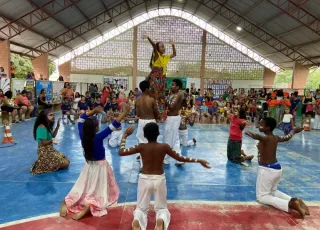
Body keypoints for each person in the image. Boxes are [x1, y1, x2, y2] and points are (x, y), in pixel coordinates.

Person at [118, 123, 211, 230]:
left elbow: (121, 152)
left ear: (144, 134)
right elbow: (180, 158)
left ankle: (137, 220)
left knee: (141, 208)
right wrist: (198, 160)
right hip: (159, 179)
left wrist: (124, 136)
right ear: (158, 133)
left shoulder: (141, 147)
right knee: (162, 207)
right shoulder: (164, 147)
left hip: (144, 179)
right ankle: (161, 220)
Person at [59, 105, 130, 220]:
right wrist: (125, 111)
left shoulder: (83, 136)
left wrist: (93, 111)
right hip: (100, 167)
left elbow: (81, 119)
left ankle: (66, 201)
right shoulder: (98, 137)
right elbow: (115, 124)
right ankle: (89, 205)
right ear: (96, 128)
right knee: (97, 191)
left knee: (82, 188)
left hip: (88, 166)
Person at [245, 118, 309, 218]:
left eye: (261, 124)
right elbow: (287, 137)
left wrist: (251, 134)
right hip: (276, 169)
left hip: (267, 170)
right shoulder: (276, 137)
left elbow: (258, 136)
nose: (259, 126)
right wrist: (294, 130)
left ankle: (291, 204)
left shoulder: (266, 138)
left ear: (268, 127)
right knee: (273, 192)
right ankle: (294, 200)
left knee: (262, 197)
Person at [30, 109, 70, 175]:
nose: (53, 116)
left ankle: (50, 164)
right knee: (66, 164)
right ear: (44, 117)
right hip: (45, 152)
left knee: (68, 160)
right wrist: (52, 140)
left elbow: (53, 136)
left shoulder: (47, 125)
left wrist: (57, 127)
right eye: (50, 115)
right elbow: (44, 143)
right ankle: (46, 164)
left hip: (50, 150)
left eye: (53, 115)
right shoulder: (41, 127)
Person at [143, 35, 176, 100]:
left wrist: (173, 45)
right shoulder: (157, 56)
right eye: (161, 47)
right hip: (156, 77)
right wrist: (148, 38)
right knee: (155, 94)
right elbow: (154, 46)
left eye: (164, 47)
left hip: (162, 77)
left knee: (161, 95)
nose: (164, 48)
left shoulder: (165, 57)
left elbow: (174, 54)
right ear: (157, 49)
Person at [135, 80, 159, 166]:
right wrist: (158, 118)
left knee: (142, 142)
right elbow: (156, 112)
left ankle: (143, 164)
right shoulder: (152, 100)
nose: (150, 90)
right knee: (152, 142)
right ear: (146, 89)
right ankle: (152, 161)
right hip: (151, 121)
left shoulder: (137, 101)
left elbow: (137, 114)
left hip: (141, 121)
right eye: (149, 88)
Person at [163, 79, 183, 165]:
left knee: (169, 138)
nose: (171, 86)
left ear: (178, 87)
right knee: (174, 139)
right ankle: (179, 159)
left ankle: (167, 160)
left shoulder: (178, 95)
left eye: (173, 85)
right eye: (171, 84)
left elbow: (171, 106)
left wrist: (164, 98)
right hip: (171, 118)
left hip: (173, 119)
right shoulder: (172, 94)